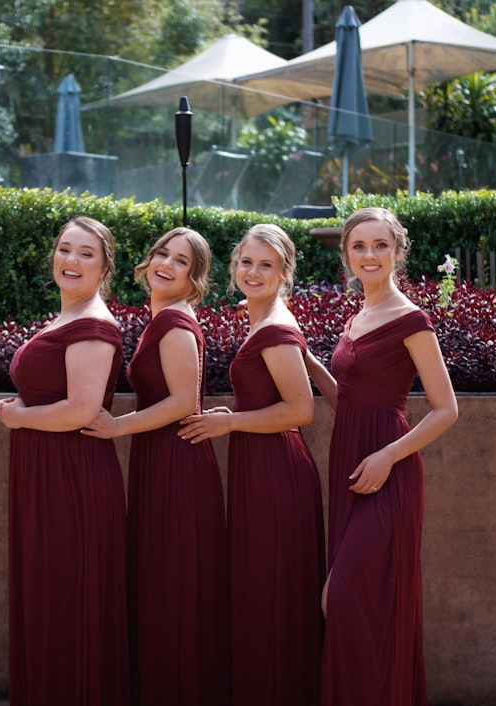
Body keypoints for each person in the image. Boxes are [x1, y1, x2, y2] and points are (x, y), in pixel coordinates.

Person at [305, 207, 458, 706]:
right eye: (359, 246)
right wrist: (305, 357)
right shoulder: (356, 319)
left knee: (345, 599)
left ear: (397, 252)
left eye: (380, 245)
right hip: (349, 463)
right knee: (360, 605)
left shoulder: (412, 320)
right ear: (346, 255)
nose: (369, 255)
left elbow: (445, 410)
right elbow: (345, 402)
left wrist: (388, 457)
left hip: (386, 472)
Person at [179, 223, 325, 706]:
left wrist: (231, 424)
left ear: (285, 273)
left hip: (275, 474)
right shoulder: (261, 319)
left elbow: (301, 411)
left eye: (267, 264)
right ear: (234, 266)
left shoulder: (277, 328)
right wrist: (235, 419)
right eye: (246, 262)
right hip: (259, 466)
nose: (254, 271)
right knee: (260, 593)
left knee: (272, 595)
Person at [83, 227, 227, 706]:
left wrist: (116, 428)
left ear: (194, 278)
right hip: (157, 461)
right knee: (161, 588)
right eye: (162, 253)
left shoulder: (174, 324)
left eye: (181, 261)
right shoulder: (160, 318)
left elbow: (185, 401)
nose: (166, 264)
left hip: (177, 465)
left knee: (176, 590)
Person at [0, 216, 129, 706]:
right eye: (65, 250)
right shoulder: (64, 318)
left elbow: (82, 409)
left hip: (71, 480)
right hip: (43, 474)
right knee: (48, 597)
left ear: (104, 266)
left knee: (67, 601)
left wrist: (19, 419)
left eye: (86, 253)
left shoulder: (93, 326)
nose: (71, 261)